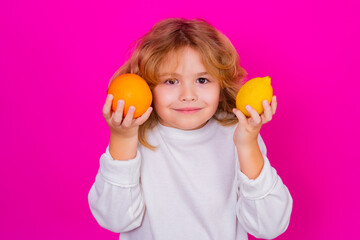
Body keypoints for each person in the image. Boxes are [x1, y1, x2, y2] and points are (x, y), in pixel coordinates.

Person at [88, 17, 293, 240]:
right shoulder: (136, 135)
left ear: (220, 83)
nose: (188, 95)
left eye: (202, 80)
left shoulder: (236, 134)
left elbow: (270, 226)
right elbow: (114, 219)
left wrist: (247, 145)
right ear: (147, 85)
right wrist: (122, 137)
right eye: (171, 81)